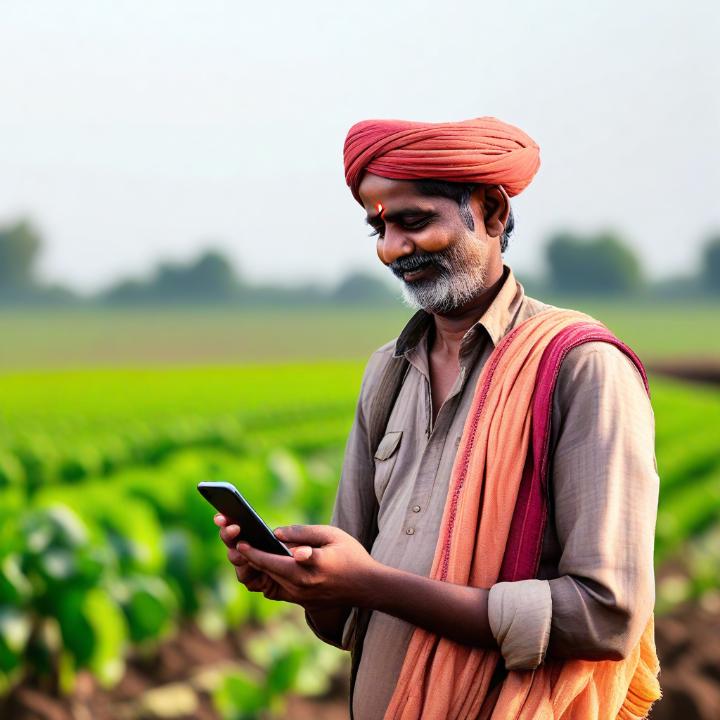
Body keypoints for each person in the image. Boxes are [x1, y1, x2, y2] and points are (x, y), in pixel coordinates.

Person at [214, 116, 661, 719]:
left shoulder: (580, 369)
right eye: (378, 228)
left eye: (414, 221)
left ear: (493, 212)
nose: (392, 249)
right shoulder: (388, 372)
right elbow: (347, 620)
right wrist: (301, 582)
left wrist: (370, 582)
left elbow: (604, 616)